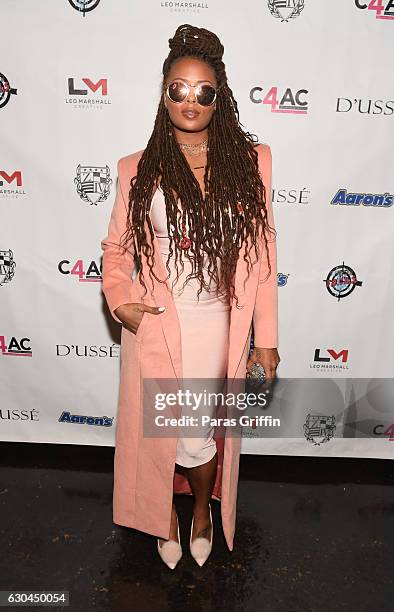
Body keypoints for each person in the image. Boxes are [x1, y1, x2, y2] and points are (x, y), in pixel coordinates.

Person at [101, 23, 280, 569]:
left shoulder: (252, 163)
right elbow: (115, 251)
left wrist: (266, 342)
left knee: (197, 437)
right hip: (160, 327)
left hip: (220, 326)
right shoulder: (136, 169)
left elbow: (263, 257)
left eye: (204, 91)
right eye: (178, 88)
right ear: (163, 93)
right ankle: (163, 520)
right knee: (165, 439)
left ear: (218, 97)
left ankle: (201, 512)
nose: (190, 101)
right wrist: (123, 302)